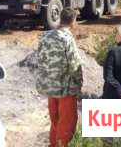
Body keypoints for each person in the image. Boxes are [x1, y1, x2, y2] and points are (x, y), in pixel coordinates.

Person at [36, 8, 83, 147]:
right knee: (67, 122)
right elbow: (75, 65)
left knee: (55, 121)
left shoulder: (45, 35)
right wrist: (79, 85)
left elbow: (40, 59)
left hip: (49, 87)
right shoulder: (67, 38)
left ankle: (54, 144)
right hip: (65, 88)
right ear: (73, 21)